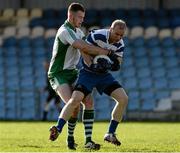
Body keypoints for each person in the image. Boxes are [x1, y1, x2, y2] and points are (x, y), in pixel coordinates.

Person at [49, 19, 128, 147]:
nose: (119, 37)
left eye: (121, 35)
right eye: (117, 34)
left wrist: (110, 64)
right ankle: (58, 128)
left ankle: (110, 133)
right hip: (88, 74)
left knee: (123, 98)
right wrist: (92, 64)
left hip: (104, 76)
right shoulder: (97, 35)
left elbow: (118, 63)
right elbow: (84, 49)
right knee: (76, 100)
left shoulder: (120, 44)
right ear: (111, 29)